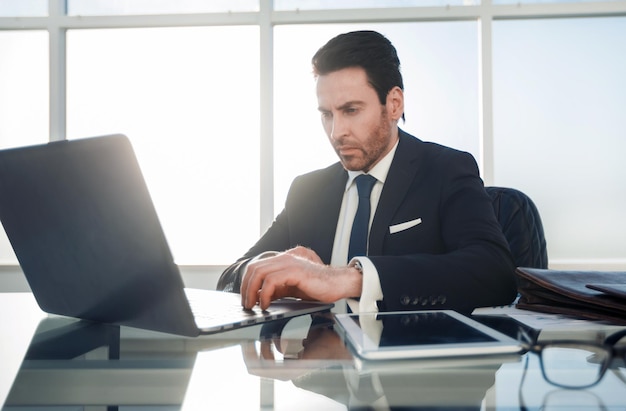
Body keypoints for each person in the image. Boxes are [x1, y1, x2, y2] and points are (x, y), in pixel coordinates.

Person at [217, 30, 517, 314]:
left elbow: (495, 274)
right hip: (322, 362)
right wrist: (264, 265)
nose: (336, 132)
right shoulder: (307, 191)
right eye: (326, 114)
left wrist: (348, 279)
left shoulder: (445, 170)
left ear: (394, 104)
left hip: (414, 361)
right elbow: (228, 279)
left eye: (351, 110)